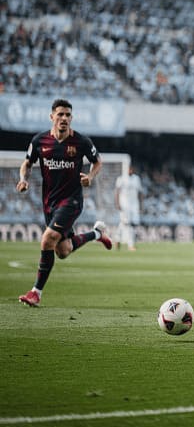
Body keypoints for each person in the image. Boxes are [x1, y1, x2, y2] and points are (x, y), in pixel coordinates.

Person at [16, 98, 112, 307]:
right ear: (52, 117)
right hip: (50, 202)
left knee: (47, 239)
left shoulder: (81, 142)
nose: (64, 118)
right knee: (63, 250)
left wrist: (90, 177)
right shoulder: (40, 141)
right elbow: (27, 163)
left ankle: (35, 293)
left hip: (72, 201)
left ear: (71, 118)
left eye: (68, 115)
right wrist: (23, 179)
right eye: (60, 114)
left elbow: (97, 161)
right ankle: (97, 234)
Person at [114, 163, 143, 250]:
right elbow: (117, 192)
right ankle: (131, 244)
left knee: (128, 223)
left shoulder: (136, 179)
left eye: (131, 169)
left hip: (134, 204)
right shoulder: (121, 178)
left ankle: (117, 239)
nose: (130, 170)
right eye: (129, 169)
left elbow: (140, 192)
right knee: (128, 223)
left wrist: (141, 205)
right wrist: (117, 203)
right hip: (124, 204)